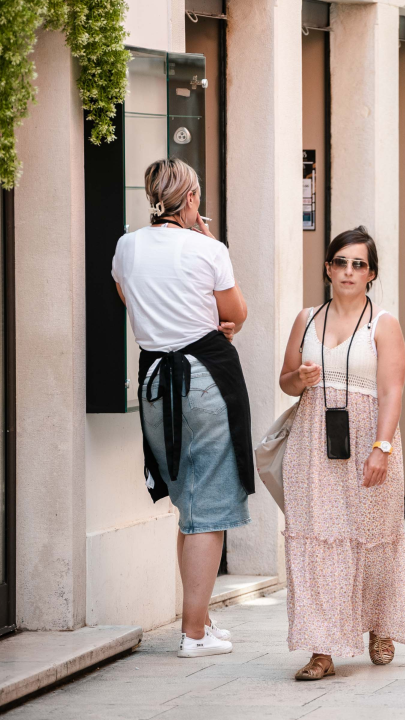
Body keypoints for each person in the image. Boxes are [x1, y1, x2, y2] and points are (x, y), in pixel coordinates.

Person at [112, 158, 252, 659]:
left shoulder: (127, 246)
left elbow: (129, 298)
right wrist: (209, 246)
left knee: (190, 505)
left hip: (155, 380)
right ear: (190, 198)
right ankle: (194, 634)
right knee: (208, 509)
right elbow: (236, 313)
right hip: (205, 377)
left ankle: (202, 620)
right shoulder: (208, 249)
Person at [278, 226, 405, 681]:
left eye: (359, 264)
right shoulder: (306, 319)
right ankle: (321, 649)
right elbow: (286, 381)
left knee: (372, 536)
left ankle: (380, 623)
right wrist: (300, 378)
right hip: (312, 443)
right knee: (316, 539)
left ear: (371, 273)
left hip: (367, 439)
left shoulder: (384, 323)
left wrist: (382, 447)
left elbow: (392, 390)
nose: (348, 271)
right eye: (341, 262)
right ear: (327, 267)